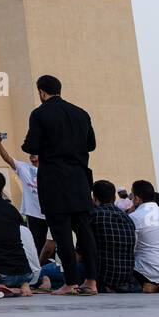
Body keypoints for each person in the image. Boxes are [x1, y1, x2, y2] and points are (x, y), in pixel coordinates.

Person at [20, 75, 100, 296]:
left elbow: (31, 145)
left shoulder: (40, 113)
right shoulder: (81, 113)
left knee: (62, 234)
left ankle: (71, 283)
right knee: (85, 233)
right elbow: (91, 145)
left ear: (41, 92)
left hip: (54, 181)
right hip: (80, 180)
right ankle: (92, 282)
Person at [0, 132, 47, 256]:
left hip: (50, 214)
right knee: (37, 246)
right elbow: (7, 158)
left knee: (50, 246)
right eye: (31, 152)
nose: (32, 154)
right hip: (34, 215)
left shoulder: (50, 169)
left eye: (36, 151)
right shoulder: (24, 168)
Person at [89, 179, 139, 293]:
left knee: (49, 272)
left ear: (94, 198)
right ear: (114, 197)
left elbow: (81, 253)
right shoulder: (127, 218)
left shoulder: (93, 215)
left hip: (101, 277)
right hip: (125, 278)